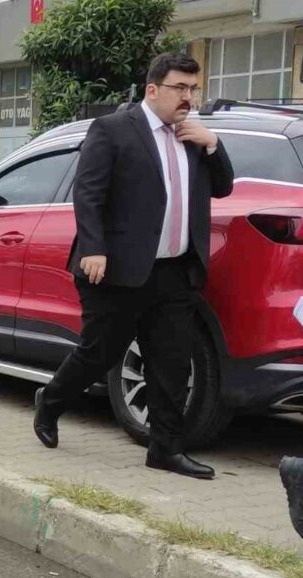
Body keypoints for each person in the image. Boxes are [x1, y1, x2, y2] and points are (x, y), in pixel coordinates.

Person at [32, 53, 233, 480]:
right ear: (153, 89)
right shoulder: (113, 129)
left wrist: (213, 144)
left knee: (171, 363)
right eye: (180, 88)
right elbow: (88, 193)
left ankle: (165, 449)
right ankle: (50, 401)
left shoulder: (193, 137)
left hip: (175, 270)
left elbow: (223, 187)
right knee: (98, 352)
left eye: (193, 89)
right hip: (116, 269)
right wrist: (93, 248)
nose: (188, 97)